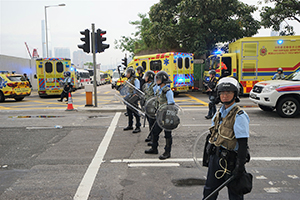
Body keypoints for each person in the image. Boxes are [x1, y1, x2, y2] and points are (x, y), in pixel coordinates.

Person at [203, 77, 250, 200]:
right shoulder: (219, 112)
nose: (224, 96)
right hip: (216, 159)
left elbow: (243, 143)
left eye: (228, 93)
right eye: (222, 93)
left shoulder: (239, 116)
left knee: (235, 194)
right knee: (209, 191)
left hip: (231, 161)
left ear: (235, 94)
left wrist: (239, 166)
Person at [145, 71, 175, 160]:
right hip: (159, 115)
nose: (156, 80)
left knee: (167, 134)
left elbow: (171, 105)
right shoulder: (159, 90)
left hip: (166, 116)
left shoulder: (168, 91)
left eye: (158, 79)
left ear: (162, 80)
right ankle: (154, 148)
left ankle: (167, 152)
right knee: (154, 131)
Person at [123, 67, 141, 133]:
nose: (127, 74)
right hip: (129, 98)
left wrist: (134, 95)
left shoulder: (135, 80)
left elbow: (137, 89)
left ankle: (138, 126)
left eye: (128, 73)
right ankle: (130, 125)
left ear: (131, 74)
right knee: (129, 112)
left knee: (135, 112)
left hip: (133, 99)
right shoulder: (128, 81)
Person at [143, 70, 157, 142]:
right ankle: (151, 135)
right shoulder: (147, 85)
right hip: (148, 106)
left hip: (152, 107)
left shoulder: (154, 86)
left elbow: (156, 96)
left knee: (152, 122)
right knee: (149, 122)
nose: (145, 78)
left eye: (146, 77)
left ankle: (153, 137)